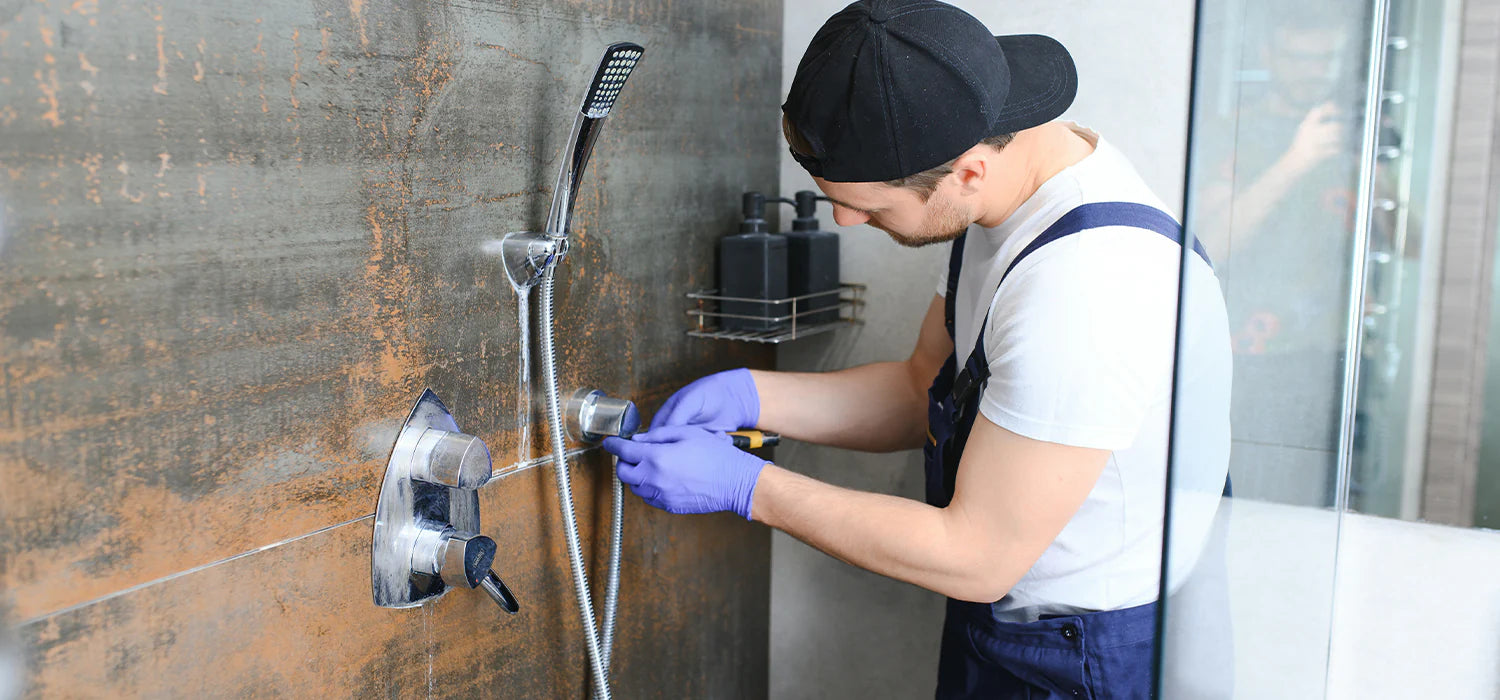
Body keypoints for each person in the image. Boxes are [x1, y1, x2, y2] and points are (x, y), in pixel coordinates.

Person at [602, 1, 1232, 697]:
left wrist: (747, 487)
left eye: (869, 207)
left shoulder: (1085, 290)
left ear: (967, 172)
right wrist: (755, 394)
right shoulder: (999, 186)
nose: (846, 220)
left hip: (1076, 655)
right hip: (1001, 608)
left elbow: (978, 554)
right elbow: (921, 392)